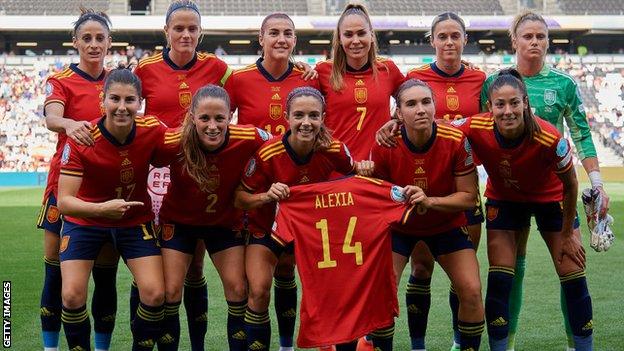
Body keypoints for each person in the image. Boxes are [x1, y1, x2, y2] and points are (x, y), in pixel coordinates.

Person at [480, 11, 608, 350]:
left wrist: (596, 181)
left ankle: (576, 345)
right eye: (528, 37)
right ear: (515, 42)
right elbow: (479, 131)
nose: (535, 42)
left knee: (572, 267)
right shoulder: (494, 84)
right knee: (511, 272)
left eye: (541, 37)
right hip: (507, 192)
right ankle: (504, 342)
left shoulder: (563, 84)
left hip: (555, 192)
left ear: (548, 42)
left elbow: (581, 134)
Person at [456, 69, 593, 351]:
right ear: (489, 107)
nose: (508, 111)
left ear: (525, 103)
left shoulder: (550, 137)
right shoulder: (476, 126)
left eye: (514, 103)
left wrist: (568, 234)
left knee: (573, 275)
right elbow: (436, 130)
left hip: (551, 200)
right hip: (505, 201)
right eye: (500, 104)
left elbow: (571, 185)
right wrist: (396, 124)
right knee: (500, 278)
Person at [234, 87, 370, 351]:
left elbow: (356, 175)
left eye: (313, 115)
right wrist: (266, 196)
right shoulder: (268, 153)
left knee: (337, 292)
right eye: (299, 115)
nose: (306, 123)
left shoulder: (333, 149)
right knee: (259, 290)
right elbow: (240, 199)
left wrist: (363, 170)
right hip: (268, 229)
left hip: (314, 233)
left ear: (323, 117)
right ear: (286, 117)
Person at [56, 68, 180, 351]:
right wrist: (102, 210)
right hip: (85, 221)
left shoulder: (152, 129)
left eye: (130, 100)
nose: (122, 107)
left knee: (155, 293)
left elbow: (182, 141)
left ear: (140, 103)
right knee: (72, 295)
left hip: (134, 222)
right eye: (115, 99)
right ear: (103, 100)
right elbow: (64, 202)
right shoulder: (83, 137)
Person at [133, 2, 231, 348]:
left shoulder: (218, 68)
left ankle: (198, 344)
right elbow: (125, 107)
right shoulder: (144, 68)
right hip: (156, 176)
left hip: (198, 178)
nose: (186, 35)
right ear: (166, 32)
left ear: (200, 33)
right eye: (179, 28)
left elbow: (248, 94)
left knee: (194, 267)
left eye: (192, 29)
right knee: (148, 265)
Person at [223, 13, 318, 350]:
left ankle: (287, 344)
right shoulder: (239, 79)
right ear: (260, 38)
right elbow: (220, 125)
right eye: (273, 33)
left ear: (295, 40)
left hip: (298, 192)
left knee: (287, 272)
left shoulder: (309, 78)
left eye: (288, 34)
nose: (281, 39)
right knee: (256, 285)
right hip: (256, 191)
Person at [370, 79, 484, 351]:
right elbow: (378, 200)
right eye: (411, 104)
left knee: (471, 290)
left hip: (446, 226)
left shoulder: (455, 140)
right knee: (381, 293)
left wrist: (429, 201)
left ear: (435, 106)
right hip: (399, 229)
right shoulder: (385, 144)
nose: (420, 109)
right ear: (398, 113)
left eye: (426, 102)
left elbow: (468, 198)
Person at [157, 85, 269, 351]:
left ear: (230, 116)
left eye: (220, 118)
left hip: (223, 222)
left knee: (238, 289)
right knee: (170, 292)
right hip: (179, 223)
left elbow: (281, 146)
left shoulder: (249, 136)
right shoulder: (174, 141)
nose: (212, 126)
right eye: (205, 118)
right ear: (192, 116)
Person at [39, 8, 118, 351]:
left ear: (109, 42)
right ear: (75, 43)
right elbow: (51, 116)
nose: (94, 44)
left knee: (104, 276)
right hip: (64, 186)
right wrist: (70, 124)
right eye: (86, 38)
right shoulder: (61, 80)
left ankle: (100, 347)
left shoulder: (119, 82)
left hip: (105, 188)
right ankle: (50, 347)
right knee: (55, 271)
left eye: (100, 38)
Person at [271, 175, 414, 351]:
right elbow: (405, 200)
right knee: (377, 308)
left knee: (345, 323)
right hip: (361, 276)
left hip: (328, 286)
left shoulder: (296, 198)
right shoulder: (369, 188)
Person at [316, 2, 404, 162]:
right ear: (340, 38)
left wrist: (397, 121)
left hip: (379, 165)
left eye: (361, 33)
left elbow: (414, 101)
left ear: (371, 36)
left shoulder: (388, 69)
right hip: (337, 167)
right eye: (348, 35)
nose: (355, 40)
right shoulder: (322, 71)